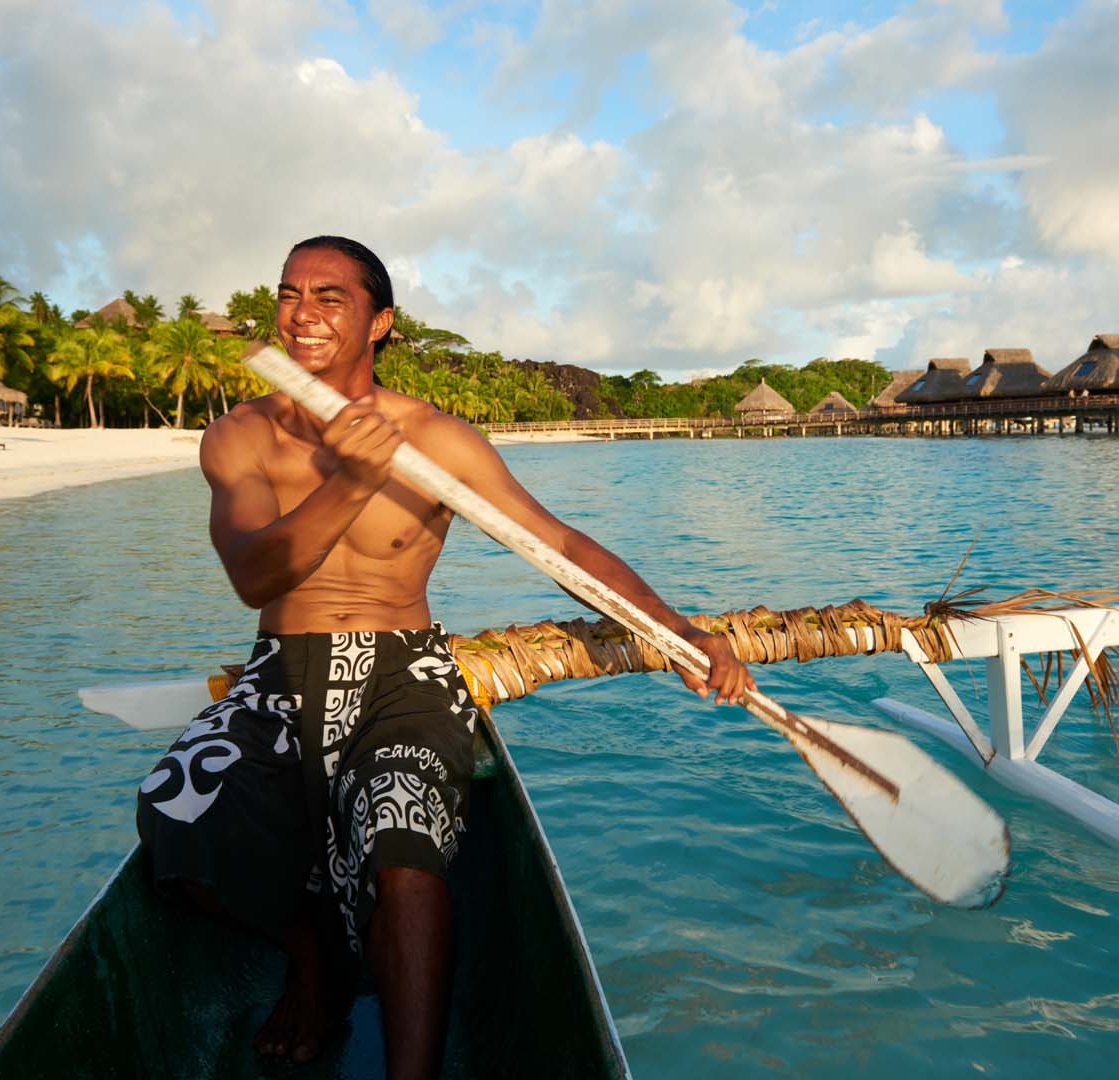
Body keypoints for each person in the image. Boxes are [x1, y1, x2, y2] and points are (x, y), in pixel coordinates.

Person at [136, 235, 752, 1079]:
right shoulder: (240, 436)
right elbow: (254, 576)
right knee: (172, 813)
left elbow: (558, 544)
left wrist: (676, 630)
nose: (301, 314)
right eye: (288, 294)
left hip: (405, 669)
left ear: (380, 322)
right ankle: (313, 954)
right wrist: (353, 480)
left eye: (329, 298)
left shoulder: (435, 437)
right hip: (282, 666)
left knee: (406, 839)